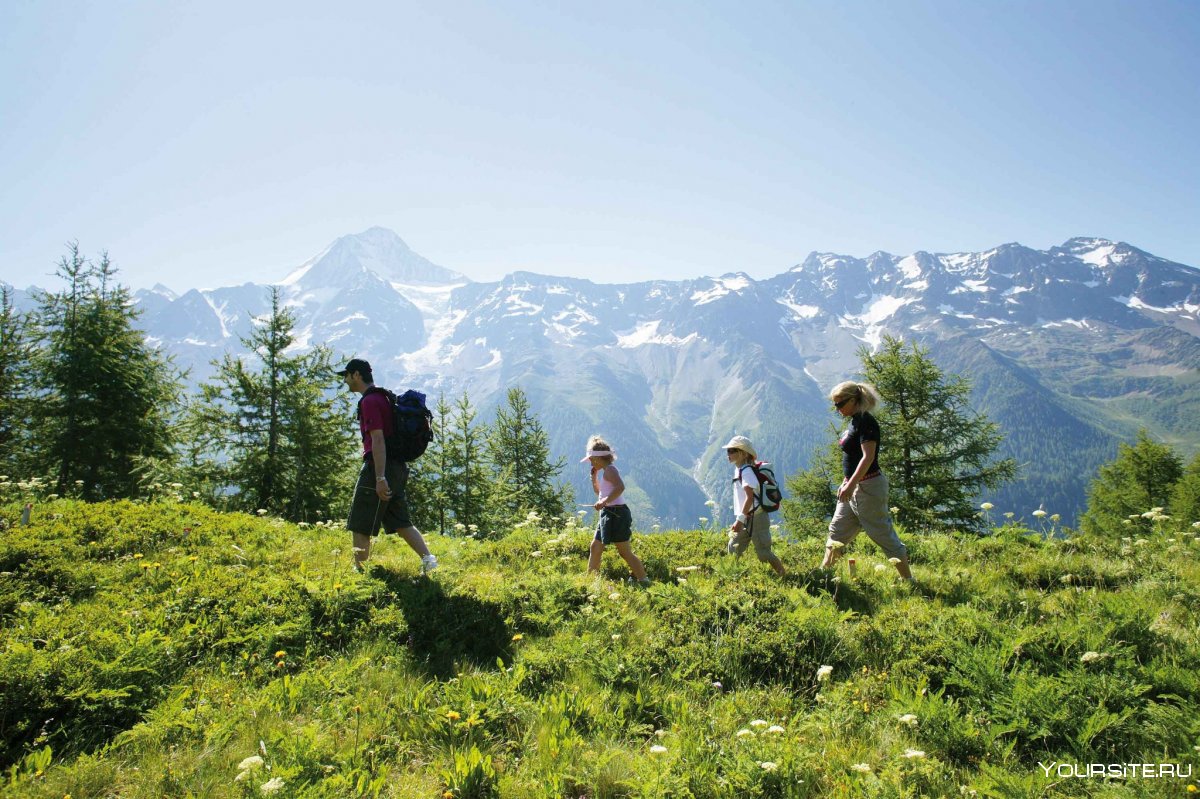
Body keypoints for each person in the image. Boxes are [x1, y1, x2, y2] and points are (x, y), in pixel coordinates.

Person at [338, 358, 438, 574]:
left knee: (360, 520)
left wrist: (379, 477)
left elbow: (378, 439)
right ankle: (429, 560)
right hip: (398, 468)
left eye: (346, 375)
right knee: (401, 521)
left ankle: (360, 575)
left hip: (380, 466)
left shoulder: (370, 401)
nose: (345, 381)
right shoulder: (384, 397)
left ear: (356, 375)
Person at [822, 381, 913, 581]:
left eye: (840, 404)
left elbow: (868, 457)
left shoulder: (866, 422)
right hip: (853, 486)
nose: (837, 409)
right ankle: (824, 576)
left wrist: (852, 483)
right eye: (834, 405)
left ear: (854, 400)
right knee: (837, 532)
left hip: (869, 487)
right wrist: (847, 481)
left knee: (881, 533)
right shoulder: (855, 420)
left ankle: (909, 580)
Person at [583, 436, 649, 586]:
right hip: (608, 512)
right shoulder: (605, 471)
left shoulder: (610, 470)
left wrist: (604, 502)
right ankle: (590, 580)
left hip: (617, 514)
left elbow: (620, 487)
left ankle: (644, 580)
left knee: (624, 552)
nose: (591, 462)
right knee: (596, 546)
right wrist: (594, 479)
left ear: (600, 458)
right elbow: (601, 493)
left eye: (592, 459)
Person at [723, 435, 786, 576]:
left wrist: (740, 519)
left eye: (732, 450)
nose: (728, 454)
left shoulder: (746, 471)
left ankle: (784, 576)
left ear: (743, 454)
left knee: (763, 552)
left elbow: (750, 498)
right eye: (728, 450)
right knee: (733, 547)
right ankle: (732, 577)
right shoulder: (738, 469)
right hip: (747, 517)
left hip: (756, 517)